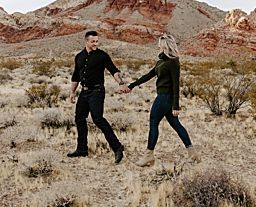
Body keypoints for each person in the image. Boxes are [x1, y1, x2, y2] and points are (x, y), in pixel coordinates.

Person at [130, 33, 199, 167]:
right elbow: (148, 75)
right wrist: (131, 85)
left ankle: (149, 156)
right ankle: (193, 153)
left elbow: (176, 84)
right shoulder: (161, 62)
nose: (157, 46)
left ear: (165, 46)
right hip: (163, 97)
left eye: (159, 45)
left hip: (165, 97)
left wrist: (176, 105)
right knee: (176, 125)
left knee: (153, 122)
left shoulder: (173, 62)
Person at [68, 29, 129, 163]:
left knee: (98, 119)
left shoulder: (102, 56)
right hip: (84, 92)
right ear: (86, 42)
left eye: (97, 41)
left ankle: (117, 147)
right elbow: (76, 76)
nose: (95, 44)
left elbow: (114, 70)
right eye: (93, 41)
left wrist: (121, 83)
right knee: (79, 118)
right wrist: (72, 92)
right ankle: (82, 149)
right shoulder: (79, 56)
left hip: (97, 92)